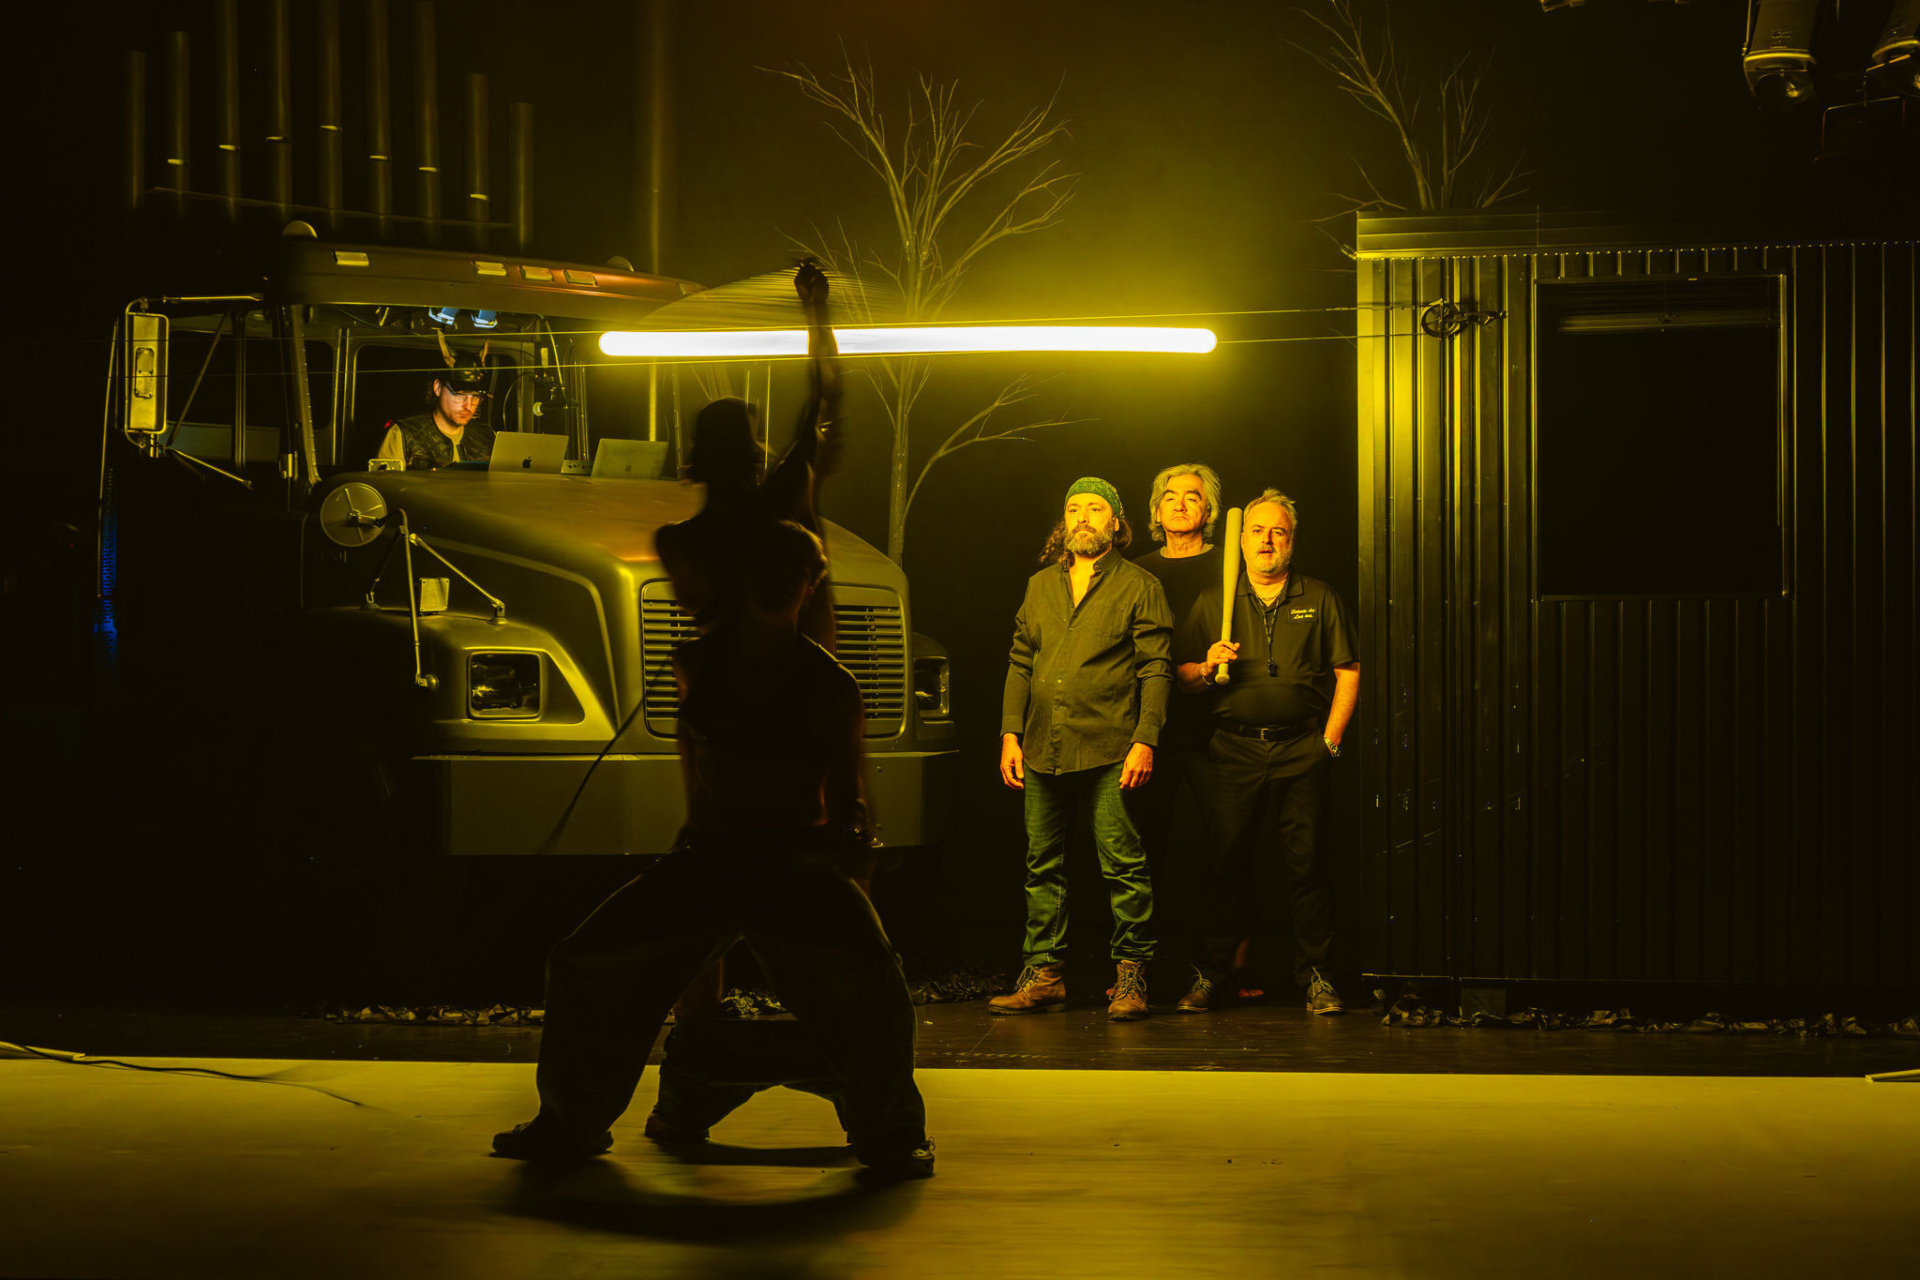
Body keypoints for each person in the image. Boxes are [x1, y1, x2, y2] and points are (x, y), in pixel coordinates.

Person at [492, 520, 932, 1177]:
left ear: (809, 586)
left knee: (872, 977)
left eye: (795, 570)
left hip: (795, 865)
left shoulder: (830, 686)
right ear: (744, 576)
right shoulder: (696, 664)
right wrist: (689, 850)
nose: (780, 579)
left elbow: (848, 798)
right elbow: (694, 768)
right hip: (713, 861)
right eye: (767, 565)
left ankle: (891, 1131)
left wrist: (851, 853)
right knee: (583, 960)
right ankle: (569, 1120)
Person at [991, 478, 1173, 1022]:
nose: (1084, 517)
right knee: (1041, 865)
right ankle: (1044, 975)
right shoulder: (1039, 585)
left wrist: (1145, 739)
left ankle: (1131, 977)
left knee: (1122, 865)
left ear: (1117, 522)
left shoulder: (1140, 585)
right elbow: (1021, 660)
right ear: (1064, 522)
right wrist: (1009, 734)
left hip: (1111, 744)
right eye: (1074, 508)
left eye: (1096, 508)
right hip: (1043, 743)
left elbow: (1156, 667)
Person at [1173, 489, 1359, 1015]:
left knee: (1308, 868)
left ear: (1291, 541)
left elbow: (1348, 671)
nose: (1266, 540)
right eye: (1256, 531)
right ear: (1242, 541)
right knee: (1223, 865)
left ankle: (1318, 977)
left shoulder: (1320, 597)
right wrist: (1207, 666)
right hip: (1233, 752)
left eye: (1277, 531)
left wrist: (1331, 740)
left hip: (1302, 748)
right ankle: (1210, 975)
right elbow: (1182, 678)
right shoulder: (1216, 601)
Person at [373, 334, 495, 469]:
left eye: (475, 397)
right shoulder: (404, 434)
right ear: (438, 388)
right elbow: (386, 486)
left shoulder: (488, 437)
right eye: (460, 395)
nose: (468, 405)